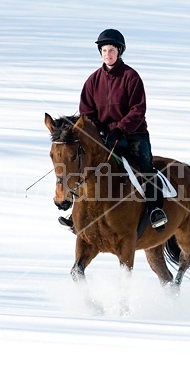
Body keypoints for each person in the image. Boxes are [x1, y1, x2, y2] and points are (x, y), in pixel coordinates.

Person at [58, 28, 168, 233]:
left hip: (134, 134)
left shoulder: (131, 77)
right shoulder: (92, 81)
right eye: (104, 50)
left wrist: (120, 129)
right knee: (84, 166)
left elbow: (138, 109)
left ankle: (155, 210)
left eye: (111, 50)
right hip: (103, 137)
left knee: (145, 168)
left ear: (120, 51)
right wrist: (96, 131)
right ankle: (75, 213)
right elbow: (86, 112)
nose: (108, 54)